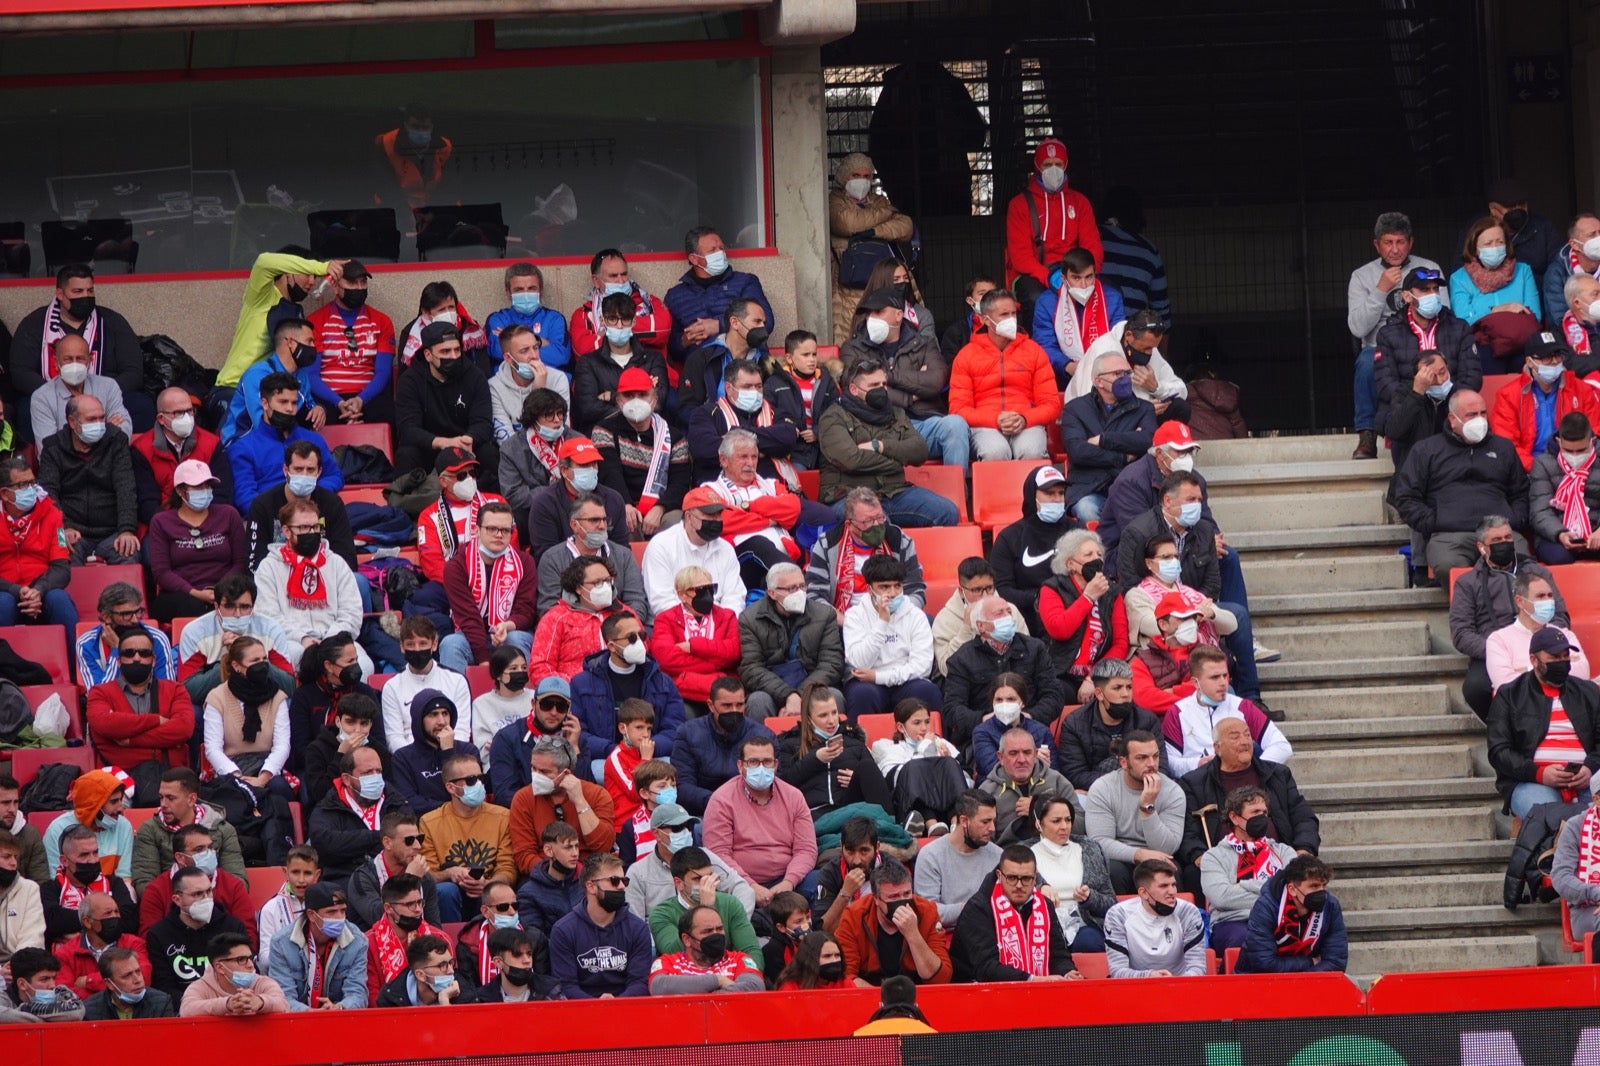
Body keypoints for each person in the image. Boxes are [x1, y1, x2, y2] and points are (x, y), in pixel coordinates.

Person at [1117, 476, 1268, 711]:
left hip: (1193, 607)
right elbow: (1130, 584)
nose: (1197, 505)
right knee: (1222, 688)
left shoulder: (1204, 530)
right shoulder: (1138, 532)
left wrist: (1200, 609)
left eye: (1200, 499)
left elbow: (1212, 583)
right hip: (1162, 642)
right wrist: (1189, 614)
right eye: (1190, 499)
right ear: (1167, 501)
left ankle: (1251, 695)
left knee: (1236, 615)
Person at [1346, 212, 1451, 458]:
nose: (1395, 249)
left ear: (1410, 243)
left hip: (1424, 344)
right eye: (1388, 242)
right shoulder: (1361, 276)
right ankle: (1367, 434)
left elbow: (1444, 313)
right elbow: (1358, 328)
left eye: (1400, 242)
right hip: (1380, 348)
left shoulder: (1430, 268)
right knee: (1365, 361)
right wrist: (1381, 290)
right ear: (1376, 244)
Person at [1177, 718, 1321, 889]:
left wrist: (1303, 850)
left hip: (1277, 856)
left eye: (1247, 735)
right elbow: (1187, 832)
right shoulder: (1195, 783)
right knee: (1193, 874)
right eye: (1235, 737)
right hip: (1224, 862)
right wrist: (1200, 857)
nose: (1245, 742)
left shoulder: (1278, 775)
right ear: (1217, 748)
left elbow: (1303, 818)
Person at [1452, 516, 1569, 721]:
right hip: (1492, 649)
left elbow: (1560, 616)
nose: (1504, 543)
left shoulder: (1538, 573)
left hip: (1540, 642)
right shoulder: (1468, 583)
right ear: (1481, 547)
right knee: (1475, 689)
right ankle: (1505, 729)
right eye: (1496, 540)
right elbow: (1461, 633)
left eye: (1507, 537)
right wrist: (1497, 649)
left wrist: (1547, 643)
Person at [817, 356, 958, 527]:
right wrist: (898, 461)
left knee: (947, 512)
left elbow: (920, 452)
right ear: (854, 389)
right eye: (874, 386)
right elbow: (851, 460)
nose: (881, 390)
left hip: (894, 493)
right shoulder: (833, 417)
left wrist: (881, 446)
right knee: (877, 523)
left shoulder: (896, 413)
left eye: (883, 384)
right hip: (849, 495)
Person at [840, 288, 967, 470]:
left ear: (899, 315)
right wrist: (910, 396)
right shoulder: (853, 348)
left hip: (922, 424)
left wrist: (887, 377)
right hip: (879, 428)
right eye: (869, 313)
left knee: (955, 425)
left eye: (879, 312)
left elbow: (936, 381)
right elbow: (854, 387)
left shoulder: (923, 344)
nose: (871, 318)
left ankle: (956, 494)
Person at [10, 263, 145, 429]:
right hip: (52, 398)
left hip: (103, 398)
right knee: (25, 409)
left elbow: (134, 372)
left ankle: (125, 453)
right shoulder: (35, 324)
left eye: (90, 291)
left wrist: (97, 396)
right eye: (78, 292)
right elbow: (20, 372)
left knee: (141, 405)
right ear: (60, 294)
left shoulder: (112, 322)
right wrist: (58, 395)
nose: (86, 297)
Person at [1487, 626, 1600, 818]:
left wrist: (1590, 766)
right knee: (1549, 816)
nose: (1562, 662)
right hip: (1531, 782)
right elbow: (1499, 751)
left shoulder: (1588, 692)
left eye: (1565, 656)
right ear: (1534, 660)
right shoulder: (1509, 695)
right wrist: (1538, 773)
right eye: (1554, 657)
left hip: (1588, 778)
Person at [703, 427, 833, 590]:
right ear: (724, 460)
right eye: (743, 457)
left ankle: (796, 586)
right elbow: (723, 521)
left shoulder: (771, 484)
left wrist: (747, 507)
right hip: (739, 560)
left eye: (754, 457)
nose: (750, 463)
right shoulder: (710, 490)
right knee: (759, 544)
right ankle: (798, 586)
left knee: (819, 534)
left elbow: (792, 509)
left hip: (783, 555)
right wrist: (770, 520)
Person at [1370, 267, 1483, 453]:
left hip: (1450, 408)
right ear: (1407, 296)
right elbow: (1385, 384)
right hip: (1411, 412)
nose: (1433, 295)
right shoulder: (1388, 334)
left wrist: (1445, 395)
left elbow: (1472, 376)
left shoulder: (1460, 328)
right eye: (1424, 290)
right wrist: (1418, 394)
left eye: (1435, 289)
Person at [253, 497, 368, 671]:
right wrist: (303, 638)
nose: (311, 532)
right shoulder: (269, 567)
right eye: (303, 528)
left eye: (315, 527)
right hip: (292, 641)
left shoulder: (336, 563)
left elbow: (352, 611)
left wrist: (331, 640)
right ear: (286, 531)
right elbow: (267, 616)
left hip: (334, 638)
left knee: (365, 666)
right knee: (294, 661)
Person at [702, 734, 819, 904]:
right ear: (740, 766)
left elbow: (806, 849)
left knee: (822, 882)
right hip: (740, 883)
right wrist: (750, 886)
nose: (761, 767)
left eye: (767, 762)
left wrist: (789, 882)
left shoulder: (794, 796)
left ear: (776, 765)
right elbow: (719, 855)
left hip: (788, 881)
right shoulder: (721, 800)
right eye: (754, 762)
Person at [948, 289, 1060, 463]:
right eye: (1004, 314)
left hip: (1026, 423)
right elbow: (958, 409)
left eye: (1013, 314)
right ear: (985, 319)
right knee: (995, 453)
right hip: (985, 425)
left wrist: (1024, 418)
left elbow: (1051, 404)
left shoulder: (1034, 351)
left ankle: (1031, 492)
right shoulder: (966, 356)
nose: (1011, 320)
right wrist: (995, 419)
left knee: (1031, 451)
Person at [200, 637, 295, 841]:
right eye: (255, 661)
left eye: (265, 659)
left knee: (279, 789)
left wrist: (263, 777)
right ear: (236, 666)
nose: (262, 665)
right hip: (230, 768)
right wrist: (237, 777)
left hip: (267, 766)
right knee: (231, 795)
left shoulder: (277, 697)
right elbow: (213, 749)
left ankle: (280, 847)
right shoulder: (216, 697)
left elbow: (282, 746)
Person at [942, 594, 1065, 750]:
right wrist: (986, 719)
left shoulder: (1035, 649)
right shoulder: (961, 659)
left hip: (1030, 731)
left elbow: (1054, 695)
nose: (1008, 617)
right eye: (999, 614)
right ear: (981, 626)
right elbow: (952, 710)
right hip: (984, 736)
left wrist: (1028, 717)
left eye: (1009, 612)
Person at [215, 248, 342, 390]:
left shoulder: (295, 311)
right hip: (233, 387)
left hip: (269, 393)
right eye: (307, 274)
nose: (312, 281)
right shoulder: (262, 296)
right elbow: (263, 261)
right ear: (288, 271)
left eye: (315, 276)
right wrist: (322, 267)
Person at [1003, 137, 1102, 318]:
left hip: (1076, 271)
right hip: (1033, 273)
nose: (1053, 169)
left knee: (1109, 294)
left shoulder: (1080, 202)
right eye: (1047, 164)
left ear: (1066, 165)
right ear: (1037, 166)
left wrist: (1082, 276)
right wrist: (1049, 277)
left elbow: (1093, 246)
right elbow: (1020, 256)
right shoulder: (1019, 205)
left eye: (1058, 163)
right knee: (1039, 299)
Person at [569, 611, 687, 762]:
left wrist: (649, 747)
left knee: (668, 768)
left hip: (652, 756)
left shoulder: (662, 681)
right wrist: (614, 750)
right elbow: (578, 732)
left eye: (641, 636)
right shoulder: (581, 683)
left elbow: (675, 728)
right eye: (631, 637)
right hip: (606, 758)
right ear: (611, 646)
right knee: (597, 771)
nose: (639, 642)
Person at [951, 846, 1078, 983]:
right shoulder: (978, 909)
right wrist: (1032, 979)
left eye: (1026, 878)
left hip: (1038, 994)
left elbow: (1058, 955)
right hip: (978, 995)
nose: (1018, 885)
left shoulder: (1045, 906)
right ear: (999, 875)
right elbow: (986, 968)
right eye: (1011, 878)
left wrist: (1067, 972)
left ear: (1035, 878)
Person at [37, 393, 138, 563]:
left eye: (102, 418)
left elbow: (126, 487)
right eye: (92, 419)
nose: (99, 424)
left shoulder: (116, 440)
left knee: (130, 554)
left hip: (112, 531)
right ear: (72, 422)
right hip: (69, 530)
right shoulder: (53, 447)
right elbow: (48, 493)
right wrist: (63, 527)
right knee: (59, 557)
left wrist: (127, 530)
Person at [1200, 785, 1300, 956]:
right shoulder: (1213, 857)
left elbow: (1294, 892)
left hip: (1278, 920)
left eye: (1264, 812)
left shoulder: (1284, 852)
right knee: (1248, 939)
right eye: (1255, 812)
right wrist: (1274, 890)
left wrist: (1243, 886)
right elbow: (1222, 898)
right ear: (1234, 817)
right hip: (1233, 922)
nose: (1262, 817)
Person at [437, 502, 535, 675]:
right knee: (451, 644)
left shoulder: (525, 562)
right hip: (470, 634)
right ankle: (457, 700)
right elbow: (468, 618)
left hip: (509, 632)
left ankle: (523, 697)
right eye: (491, 529)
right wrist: (484, 661)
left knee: (517, 638)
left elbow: (526, 611)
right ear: (477, 530)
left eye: (505, 530)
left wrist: (507, 625)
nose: (499, 535)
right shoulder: (457, 566)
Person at [85, 628, 195, 783]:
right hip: (117, 783)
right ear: (118, 660)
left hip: (171, 781)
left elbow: (183, 729)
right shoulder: (99, 693)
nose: (136, 658)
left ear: (154, 660)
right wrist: (156, 721)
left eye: (144, 653)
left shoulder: (175, 689)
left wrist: (131, 741)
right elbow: (105, 724)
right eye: (129, 653)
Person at [1163, 646, 1292, 776]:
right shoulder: (1178, 712)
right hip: (1198, 784)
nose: (1223, 683)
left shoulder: (1243, 706)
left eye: (1225, 675)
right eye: (1215, 677)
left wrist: (1253, 771)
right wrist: (1197, 764)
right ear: (1195, 683)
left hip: (1241, 784)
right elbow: (1170, 762)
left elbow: (1282, 746)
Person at [739, 563, 846, 720]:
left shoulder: (824, 615)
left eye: (802, 586)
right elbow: (751, 668)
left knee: (834, 696)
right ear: (772, 593)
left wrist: (801, 695)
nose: (799, 593)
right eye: (791, 589)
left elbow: (832, 664)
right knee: (757, 701)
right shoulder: (750, 619)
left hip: (813, 686)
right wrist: (788, 695)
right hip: (772, 690)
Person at [592, 367, 691, 536]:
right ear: (618, 401)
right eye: (629, 396)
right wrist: (624, 504)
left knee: (676, 522)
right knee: (619, 520)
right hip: (622, 504)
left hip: (661, 508)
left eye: (643, 395)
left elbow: (679, 482)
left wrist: (661, 507)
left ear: (654, 399)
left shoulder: (674, 437)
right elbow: (609, 474)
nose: (636, 401)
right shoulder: (604, 430)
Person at [829, 152, 915, 345]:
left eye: (867, 176)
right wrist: (886, 213)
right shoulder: (834, 201)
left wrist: (874, 232)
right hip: (849, 282)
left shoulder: (878, 201)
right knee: (850, 330)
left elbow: (905, 226)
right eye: (855, 175)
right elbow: (848, 223)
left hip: (882, 279)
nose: (862, 180)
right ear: (844, 177)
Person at [1061, 350, 1157, 523]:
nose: (1125, 378)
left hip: (1131, 487)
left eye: (1127, 373)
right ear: (1099, 381)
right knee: (1087, 509)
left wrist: (1104, 440)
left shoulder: (1144, 409)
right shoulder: (1075, 409)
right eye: (1117, 373)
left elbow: (1147, 441)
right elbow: (1078, 451)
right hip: (1088, 488)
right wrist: (1123, 456)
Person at [394, 321, 496, 484]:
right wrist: (442, 443)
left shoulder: (475, 376)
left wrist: (469, 439)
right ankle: (410, 508)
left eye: (457, 350)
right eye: (445, 351)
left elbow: (483, 422)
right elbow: (407, 429)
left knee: (488, 452)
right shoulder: (410, 381)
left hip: (466, 447)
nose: (454, 356)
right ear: (428, 355)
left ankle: (492, 506)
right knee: (406, 454)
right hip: (429, 448)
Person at [227, 372, 343, 514]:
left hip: (314, 512)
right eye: (283, 402)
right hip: (271, 521)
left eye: (294, 403)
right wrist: (284, 513)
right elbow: (245, 497)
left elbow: (334, 476)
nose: (290, 409)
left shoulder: (314, 440)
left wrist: (312, 497)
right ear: (264, 403)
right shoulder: (243, 447)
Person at [145, 460, 246, 621]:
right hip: (182, 595)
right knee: (191, 606)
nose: (205, 491)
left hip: (228, 590)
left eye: (208, 486)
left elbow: (240, 562)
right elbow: (162, 572)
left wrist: (221, 590)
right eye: (198, 487)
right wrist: (195, 593)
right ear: (180, 490)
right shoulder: (161, 521)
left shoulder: (228, 514)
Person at [1084, 732, 1184, 893]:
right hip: (1119, 857)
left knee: (1169, 870)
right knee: (1113, 870)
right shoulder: (1103, 788)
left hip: (1158, 855)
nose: (1151, 764)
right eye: (1142, 758)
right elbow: (1099, 842)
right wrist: (1139, 854)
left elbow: (1168, 848)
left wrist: (1148, 807)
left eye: (1155, 756)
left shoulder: (1173, 791)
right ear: (1124, 762)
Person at [776, 683, 895, 820]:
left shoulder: (854, 743)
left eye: (834, 712)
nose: (831, 721)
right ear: (808, 719)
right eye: (823, 715)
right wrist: (815, 759)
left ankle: (890, 824)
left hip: (851, 811)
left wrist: (858, 778)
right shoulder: (790, 744)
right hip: (813, 814)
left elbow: (877, 783)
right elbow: (783, 784)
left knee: (867, 768)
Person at [806, 487, 928, 617]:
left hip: (894, 617)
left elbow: (916, 590)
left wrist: (897, 617)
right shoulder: (827, 544)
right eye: (868, 521)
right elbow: (815, 596)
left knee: (928, 622)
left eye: (880, 517)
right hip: (842, 621)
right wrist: (847, 623)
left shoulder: (899, 541)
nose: (876, 525)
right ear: (849, 525)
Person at [243, 441, 359, 576]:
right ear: (286, 470)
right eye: (298, 469)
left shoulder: (332, 504)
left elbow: (347, 558)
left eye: (310, 470)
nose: (304, 475)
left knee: (359, 581)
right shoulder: (262, 505)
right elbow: (254, 562)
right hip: (278, 580)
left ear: (319, 472)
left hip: (324, 577)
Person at [842, 555, 939, 715]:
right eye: (885, 587)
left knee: (927, 690)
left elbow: (922, 668)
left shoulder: (915, 615)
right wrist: (882, 622)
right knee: (862, 695)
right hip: (866, 683)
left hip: (905, 682)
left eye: (898, 586)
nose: (893, 593)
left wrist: (879, 677)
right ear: (869, 589)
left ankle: (934, 739)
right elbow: (859, 662)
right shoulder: (855, 616)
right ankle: (859, 740)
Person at [304, 258, 396, 427]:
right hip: (328, 398)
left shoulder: (382, 322)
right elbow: (311, 375)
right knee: (310, 417)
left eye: (363, 282)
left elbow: (383, 372)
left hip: (368, 397)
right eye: (353, 283)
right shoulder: (315, 322)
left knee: (394, 415)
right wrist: (339, 403)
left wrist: (360, 400)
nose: (359, 288)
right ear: (335, 287)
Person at [548, 852, 653, 999]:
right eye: (614, 881)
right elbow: (566, 986)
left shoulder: (638, 928)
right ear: (591, 886)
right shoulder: (564, 930)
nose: (622, 886)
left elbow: (640, 982)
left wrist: (615, 1004)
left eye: (625, 881)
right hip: (580, 1013)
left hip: (626, 1010)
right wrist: (597, 1006)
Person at [687, 359, 806, 489]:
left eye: (759, 386)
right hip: (724, 495)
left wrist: (734, 435)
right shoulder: (706, 414)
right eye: (747, 387)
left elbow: (787, 438)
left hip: (776, 491)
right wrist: (764, 447)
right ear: (729, 388)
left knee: (822, 511)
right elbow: (703, 447)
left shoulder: (775, 412)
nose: (755, 392)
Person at [306, 747, 415, 887]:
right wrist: (378, 837)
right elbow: (325, 845)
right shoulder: (328, 807)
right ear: (346, 779)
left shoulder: (396, 801)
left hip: (396, 880)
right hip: (347, 882)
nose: (375, 777)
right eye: (368, 772)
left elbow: (407, 839)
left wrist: (353, 843)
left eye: (379, 771)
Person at [665, 226, 775, 364]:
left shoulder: (745, 282)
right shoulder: (675, 296)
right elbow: (670, 348)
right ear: (694, 259)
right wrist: (684, 341)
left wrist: (719, 325)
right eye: (712, 250)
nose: (720, 253)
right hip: (704, 369)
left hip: (750, 363)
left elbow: (767, 323)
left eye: (721, 248)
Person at [624, 801, 754, 918]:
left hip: (712, 935)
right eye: (677, 828)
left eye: (688, 827)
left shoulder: (706, 856)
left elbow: (743, 889)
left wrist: (734, 925)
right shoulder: (638, 873)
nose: (685, 832)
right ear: (656, 833)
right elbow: (635, 922)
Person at [835, 857, 951, 987]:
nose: (902, 901)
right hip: (871, 993)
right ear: (876, 899)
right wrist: (885, 999)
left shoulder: (927, 912)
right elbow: (846, 977)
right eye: (893, 897)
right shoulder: (854, 916)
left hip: (916, 993)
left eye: (907, 894)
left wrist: (913, 935)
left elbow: (941, 978)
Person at [1491, 332, 1600, 471]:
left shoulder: (1581, 389)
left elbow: (1594, 431)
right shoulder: (1508, 395)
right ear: (1530, 361)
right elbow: (1506, 443)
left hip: (1575, 464)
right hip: (1528, 470)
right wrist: (1537, 467)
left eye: (1558, 355)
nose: (1555, 361)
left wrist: (1574, 462)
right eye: (1547, 357)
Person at [535, 491, 650, 622]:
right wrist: (588, 630)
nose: (602, 526)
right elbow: (549, 610)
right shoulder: (552, 559)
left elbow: (637, 603)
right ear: (574, 525)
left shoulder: (623, 555)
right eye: (594, 520)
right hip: (572, 634)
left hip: (619, 633)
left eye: (604, 520)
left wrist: (613, 631)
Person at [1038, 527, 1129, 692]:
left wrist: (1095, 676)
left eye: (1099, 554)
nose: (1096, 559)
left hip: (1099, 675)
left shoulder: (1112, 592)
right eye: (1088, 555)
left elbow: (1120, 643)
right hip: (1061, 672)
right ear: (1070, 564)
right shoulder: (1052, 588)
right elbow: (1059, 630)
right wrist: (1088, 598)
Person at [507, 736, 616, 870]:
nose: (536, 775)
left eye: (544, 771)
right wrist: (553, 873)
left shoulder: (597, 795)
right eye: (533, 768)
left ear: (566, 773)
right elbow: (523, 854)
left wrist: (580, 801)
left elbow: (602, 846)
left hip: (588, 874)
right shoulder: (523, 798)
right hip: (542, 874)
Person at [133, 821, 254, 941]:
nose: (209, 853)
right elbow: (149, 939)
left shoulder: (233, 885)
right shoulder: (156, 890)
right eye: (199, 849)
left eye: (210, 847)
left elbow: (248, 935)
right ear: (180, 858)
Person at [293, 640, 388, 790]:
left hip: (366, 767)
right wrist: (338, 756)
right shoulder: (305, 695)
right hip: (320, 765)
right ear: (329, 666)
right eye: (350, 661)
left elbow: (379, 739)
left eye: (356, 659)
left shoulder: (365, 692)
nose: (356, 666)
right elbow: (301, 746)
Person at [670, 678, 774, 815]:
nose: (734, 711)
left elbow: (775, 781)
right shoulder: (688, 734)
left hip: (752, 810)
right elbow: (682, 786)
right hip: (704, 811)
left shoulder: (764, 736)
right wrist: (720, 802)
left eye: (740, 705)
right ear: (711, 705)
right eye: (727, 706)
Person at [144, 866, 250, 999]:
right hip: (183, 1010)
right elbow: (164, 988)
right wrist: (198, 1005)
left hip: (230, 1005)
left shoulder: (233, 927)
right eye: (197, 894)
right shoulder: (159, 934)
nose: (206, 898)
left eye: (209, 891)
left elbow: (247, 975)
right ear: (177, 899)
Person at [1067, 311, 1190, 425]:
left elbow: (1182, 390)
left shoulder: (1151, 348)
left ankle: (1164, 447)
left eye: (1153, 348)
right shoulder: (1102, 350)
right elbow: (1091, 407)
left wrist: (1155, 387)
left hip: (1140, 415)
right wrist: (1142, 409)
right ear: (1129, 335)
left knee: (1180, 407)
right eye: (1146, 348)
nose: (1150, 353)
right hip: (1102, 421)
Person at [640, 485, 746, 616]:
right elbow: (662, 602)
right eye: (710, 514)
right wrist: (698, 626)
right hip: (673, 626)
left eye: (719, 514)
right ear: (689, 517)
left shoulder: (726, 549)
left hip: (719, 625)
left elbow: (735, 598)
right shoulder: (661, 546)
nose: (716, 520)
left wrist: (720, 624)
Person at [131, 387, 231, 526]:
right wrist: (177, 526)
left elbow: (222, 492)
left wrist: (203, 522)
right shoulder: (142, 449)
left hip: (208, 521)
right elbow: (147, 503)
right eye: (178, 413)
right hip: (163, 525)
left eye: (190, 411)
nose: (187, 417)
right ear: (161, 418)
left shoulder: (211, 443)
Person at [414, 446, 512, 588]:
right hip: (453, 584)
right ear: (443, 481)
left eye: (472, 473)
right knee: (426, 596)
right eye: (461, 476)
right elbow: (432, 562)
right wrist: (461, 585)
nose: (469, 479)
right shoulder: (429, 516)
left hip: (496, 579)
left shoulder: (497, 502)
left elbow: (511, 545)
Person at [1029, 793, 1115, 953]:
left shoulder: (1090, 849)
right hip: (1041, 926)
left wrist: (1089, 898)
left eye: (1068, 820)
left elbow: (1111, 904)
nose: (1064, 826)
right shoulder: (1024, 853)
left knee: (1090, 942)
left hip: (1083, 926)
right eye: (1056, 821)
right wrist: (1039, 888)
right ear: (1038, 824)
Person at [265, 881, 368, 1011]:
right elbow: (283, 997)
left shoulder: (358, 941)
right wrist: (311, 1014)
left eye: (343, 911)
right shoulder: (281, 944)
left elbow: (358, 993)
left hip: (340, 1020)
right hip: (298, 1021)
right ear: (311, 915)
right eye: (331, 912)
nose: (340, 918)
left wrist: (340, 1008)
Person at [1236, 854, 1347, 974]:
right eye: (1314, 886)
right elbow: (1264, 964)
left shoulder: (1330, 906)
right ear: (1292, 889)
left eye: (1323, 886)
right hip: (1257, 981)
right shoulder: (1265, 907)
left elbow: (1336, 962)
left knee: (1352, 983)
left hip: (1310, 980)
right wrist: (1309, 962)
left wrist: (1304, 981)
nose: (1321, 892)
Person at [644, 847, 761, 960]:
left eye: (709, 876)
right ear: (678, 883)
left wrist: (747, 977)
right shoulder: (662, 914)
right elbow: (674, 953)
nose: (706, 883)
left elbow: (751, 951)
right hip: (687, 977)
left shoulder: (730, 904)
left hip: (730, 974)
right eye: (697, 879)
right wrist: (705, 910)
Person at [648, 564, 741, 706]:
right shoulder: (665, 619)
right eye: (701, 591)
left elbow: (733, 653)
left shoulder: (727, 616)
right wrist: (716, 664)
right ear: (682, 595)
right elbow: (665, 659)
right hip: (684, 693)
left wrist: (694, 646)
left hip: (724, 694)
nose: (708, 595)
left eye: (711, 589)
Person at [488, 677, 588, 808]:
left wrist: (573, 748)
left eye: (561, 706)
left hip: (569, 816)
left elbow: (587, 792)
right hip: (526, 815)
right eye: (546, 704)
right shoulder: (506, 738)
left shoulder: (576, 738)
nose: (553, 712)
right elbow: (504, 796)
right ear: (533, 704)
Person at [868, 699, 965, 834]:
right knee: (914, 767)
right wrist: (924, 750)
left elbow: (967, 779)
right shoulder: (889, 747)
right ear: (901, 727)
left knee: (949, 763)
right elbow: (893, 783)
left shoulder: (942, 743)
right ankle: (931, 823)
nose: (924, 728)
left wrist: (948, 760)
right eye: (917, 723)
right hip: (912, 811)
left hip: (946, 805)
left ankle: (957, 822)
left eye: (927, 721)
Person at [528, 437, 631, 562]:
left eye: (594, 464)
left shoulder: (613, 499)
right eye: (584, 465)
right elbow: (547, 557)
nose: (591, 469)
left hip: (608, 573)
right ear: (564, 470)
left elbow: (621, 551)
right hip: (564, 575)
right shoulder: (544, 504)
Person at [1485, 572, 1590, 692]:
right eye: (1540, 596)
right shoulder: (1498, 639)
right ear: (1520, 601)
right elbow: (1505, 685)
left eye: (1550, 595)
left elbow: (1582, 673)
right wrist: (1554, 671)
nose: (1548, 600)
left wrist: (1525, 669)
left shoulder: (1564, 634)